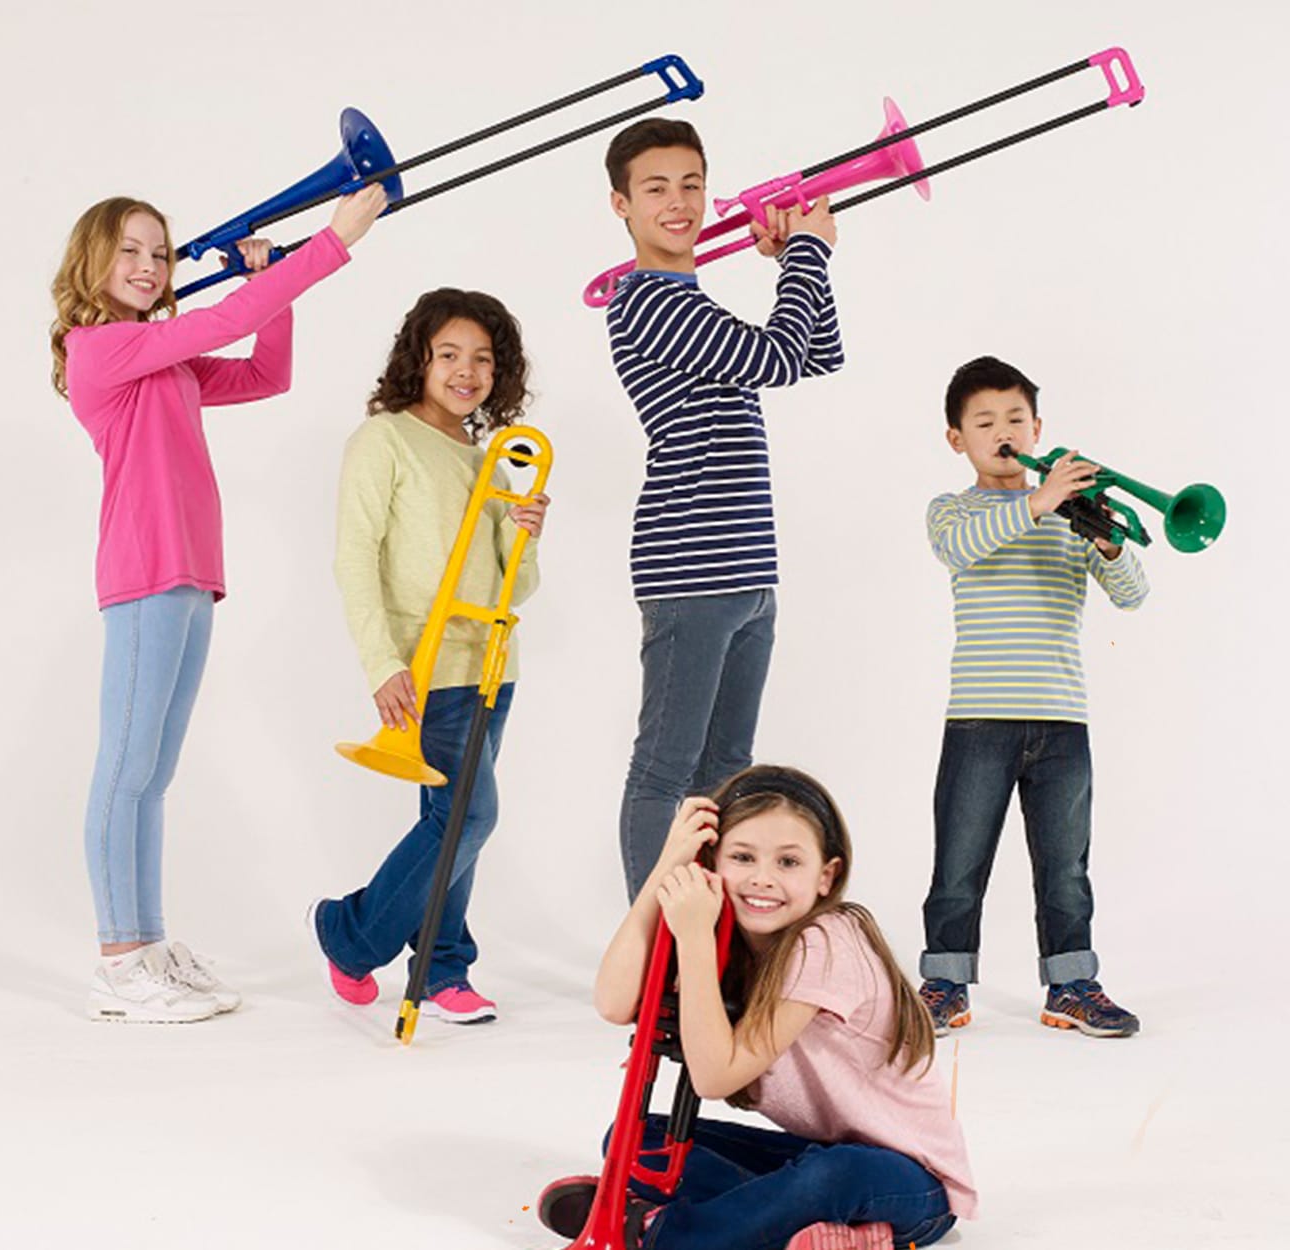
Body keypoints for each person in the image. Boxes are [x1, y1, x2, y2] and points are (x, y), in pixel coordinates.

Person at [54, 186, 385, 1023]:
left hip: (193, 576)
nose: (149, 266)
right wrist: (330, 244)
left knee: (152, 776)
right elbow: (212, 324)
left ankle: (148, 943)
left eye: (159, 254)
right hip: (142, 575)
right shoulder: (100, 347)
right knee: (124, 770)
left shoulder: (159, 358)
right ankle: (117, 960)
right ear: (92, 261)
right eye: (129, 250)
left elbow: (267, 373)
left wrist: (271, 280)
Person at [541, 766, 974, 1250]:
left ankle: (655, 1231)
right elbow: (613, 1002)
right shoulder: (729, 938)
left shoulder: (828, 941)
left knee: (833, 1175)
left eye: (788, 863)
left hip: (910, 1185)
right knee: (636, 1138)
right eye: (742, 857)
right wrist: (668, 866)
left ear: (826, 876)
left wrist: (694, 942)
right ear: (712, 861)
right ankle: (834, 1237)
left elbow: (715, 1078)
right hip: (820, 1155)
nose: (762, 879)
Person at [601, 118, 845, 900]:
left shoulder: (692, 300)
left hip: (747, 567)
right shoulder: (643, 303)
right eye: (656, 189)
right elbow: (773, 357)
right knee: (663, 769)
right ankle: (648, 945)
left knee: (726, 771)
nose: (679, 204)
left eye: (692, 185)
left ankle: (705, 932)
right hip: (689, 564)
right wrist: (806, 252)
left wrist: (800, 261)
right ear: (622, 206)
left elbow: (817, 353)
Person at [308, 289, 549, 1024]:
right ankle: (352, 936)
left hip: (491, 667)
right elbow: (355, 558)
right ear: (419, 358)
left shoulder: (488, 462)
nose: (465, 371)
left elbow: (521, 585)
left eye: (482, 359)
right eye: (449, 354)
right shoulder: (382, 440)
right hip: (427, 664)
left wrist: (525, 530)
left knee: (453, 819)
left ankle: (441, 967)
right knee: (465, 819)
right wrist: (383, 663)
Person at [918, 356, 1149, 1039]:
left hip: (1062, 718)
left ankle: (1072, 985)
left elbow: (1134, 595)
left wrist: (1107, 542)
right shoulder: (953, 511)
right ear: (957, 438)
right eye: (984, 422)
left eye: (1016, 418)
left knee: (1066, 868)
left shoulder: (1068, 517)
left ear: (1039, 426)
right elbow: (963, 551)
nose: (1003, 431)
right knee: (959, 863)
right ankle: (944, 984)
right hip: (979, 718)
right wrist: (1041, 500)